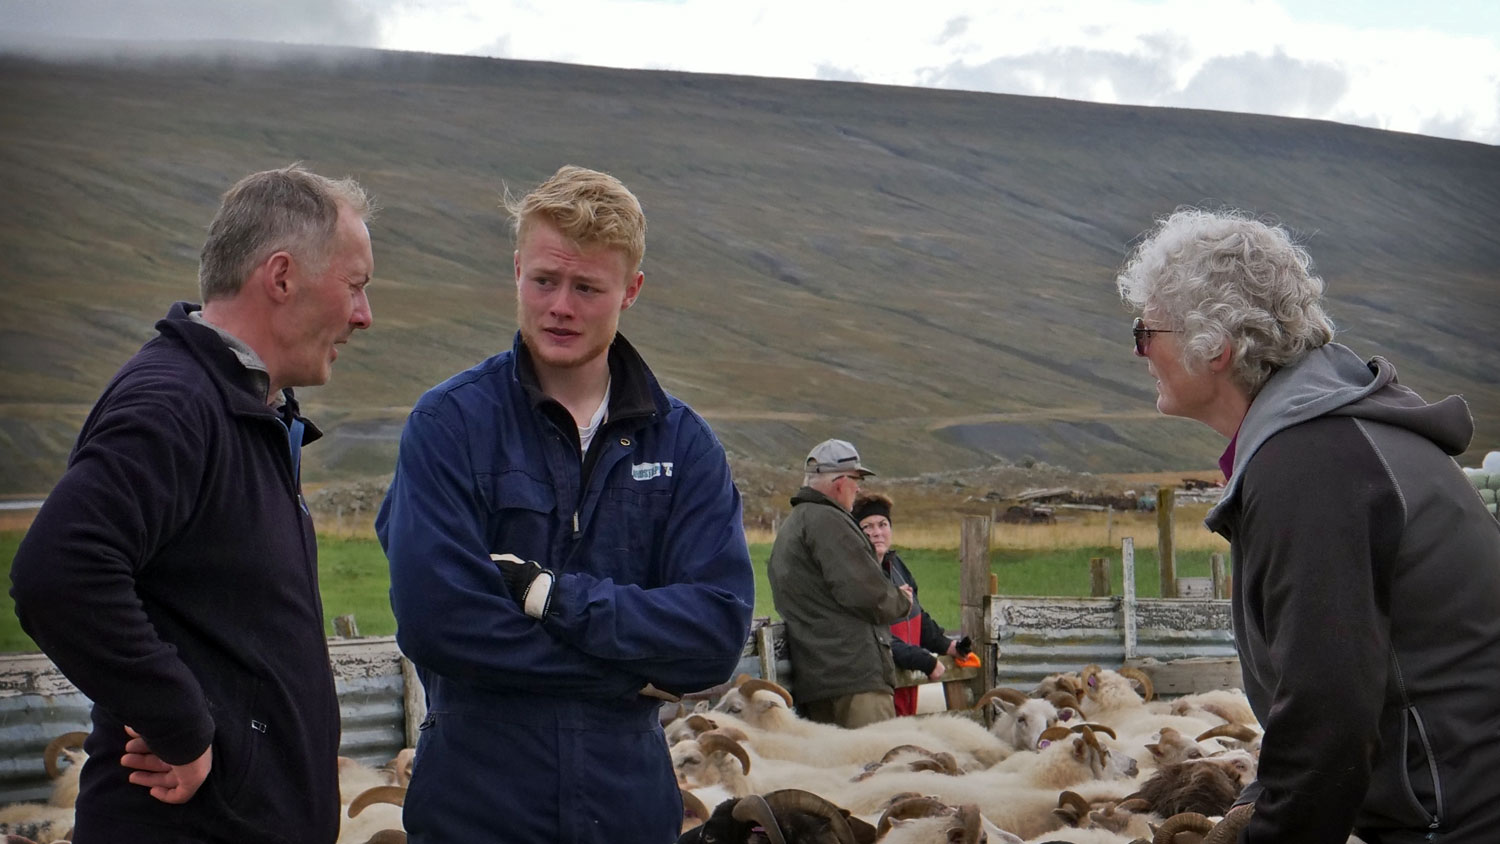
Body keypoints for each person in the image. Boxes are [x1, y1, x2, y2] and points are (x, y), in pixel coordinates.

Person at [376, 165, 754, 844]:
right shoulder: (450, 424)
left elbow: (716, 633)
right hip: (475, 814)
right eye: (544, 281)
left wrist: (554, 599)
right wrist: (630, 673)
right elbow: (438, 621)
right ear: (517, 269)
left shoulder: (683, 443)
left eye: (587, 288)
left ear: (630, 291)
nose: (560, 307)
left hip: (628, 814)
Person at [9, 164, 376, 844]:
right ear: (282, 276)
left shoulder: (245, 407)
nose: (364, 315)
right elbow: (57, 572)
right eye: (355, 287)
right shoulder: (175, 405)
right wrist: (181, 722)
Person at [1117, 208, 1500, 843]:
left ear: (1215, 346)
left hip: (1454, 818)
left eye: (1144, 331)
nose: (1140, 351)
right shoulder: (1335, 437)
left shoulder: (1309, 467)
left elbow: (1330, 719)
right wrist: (1261, 801)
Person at [767, 439, 913, 729]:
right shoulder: (830, 521)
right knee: (879, 766)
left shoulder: (794, 525)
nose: (858, 488)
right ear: (840, 482)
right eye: (856, 479)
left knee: (834, 773)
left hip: (817, 679)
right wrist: (900, 600)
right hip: (855, 679)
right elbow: (864, 592)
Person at [852, 493, 971, 716]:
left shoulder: (897, 566)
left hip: (906, 684)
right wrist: (921, 660)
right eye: (867, 526)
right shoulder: (858, 576)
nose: (877, 532)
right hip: (877, 690)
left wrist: (948, 646)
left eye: (883, 524)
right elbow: (873, 634)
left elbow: (917, 617)